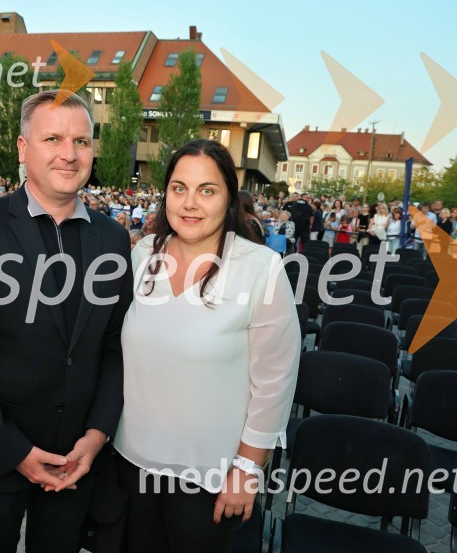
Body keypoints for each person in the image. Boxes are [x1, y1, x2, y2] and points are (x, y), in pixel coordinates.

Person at [0, 90, 133, 553]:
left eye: (81, 141)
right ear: (24, 149)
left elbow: (116, 347)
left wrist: (97, 436)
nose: (69, 154)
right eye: (53, 138)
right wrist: (15, 451)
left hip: (75, 460)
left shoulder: (114, 239)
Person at [115, 139, 300, 553]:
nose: (190, 203)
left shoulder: (260, 268)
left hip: (210, 475)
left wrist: (247, 470)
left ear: (228, 198)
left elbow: (275, 383)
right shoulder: (144, 254)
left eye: (207, 190)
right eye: (179, 188)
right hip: (130, 461)